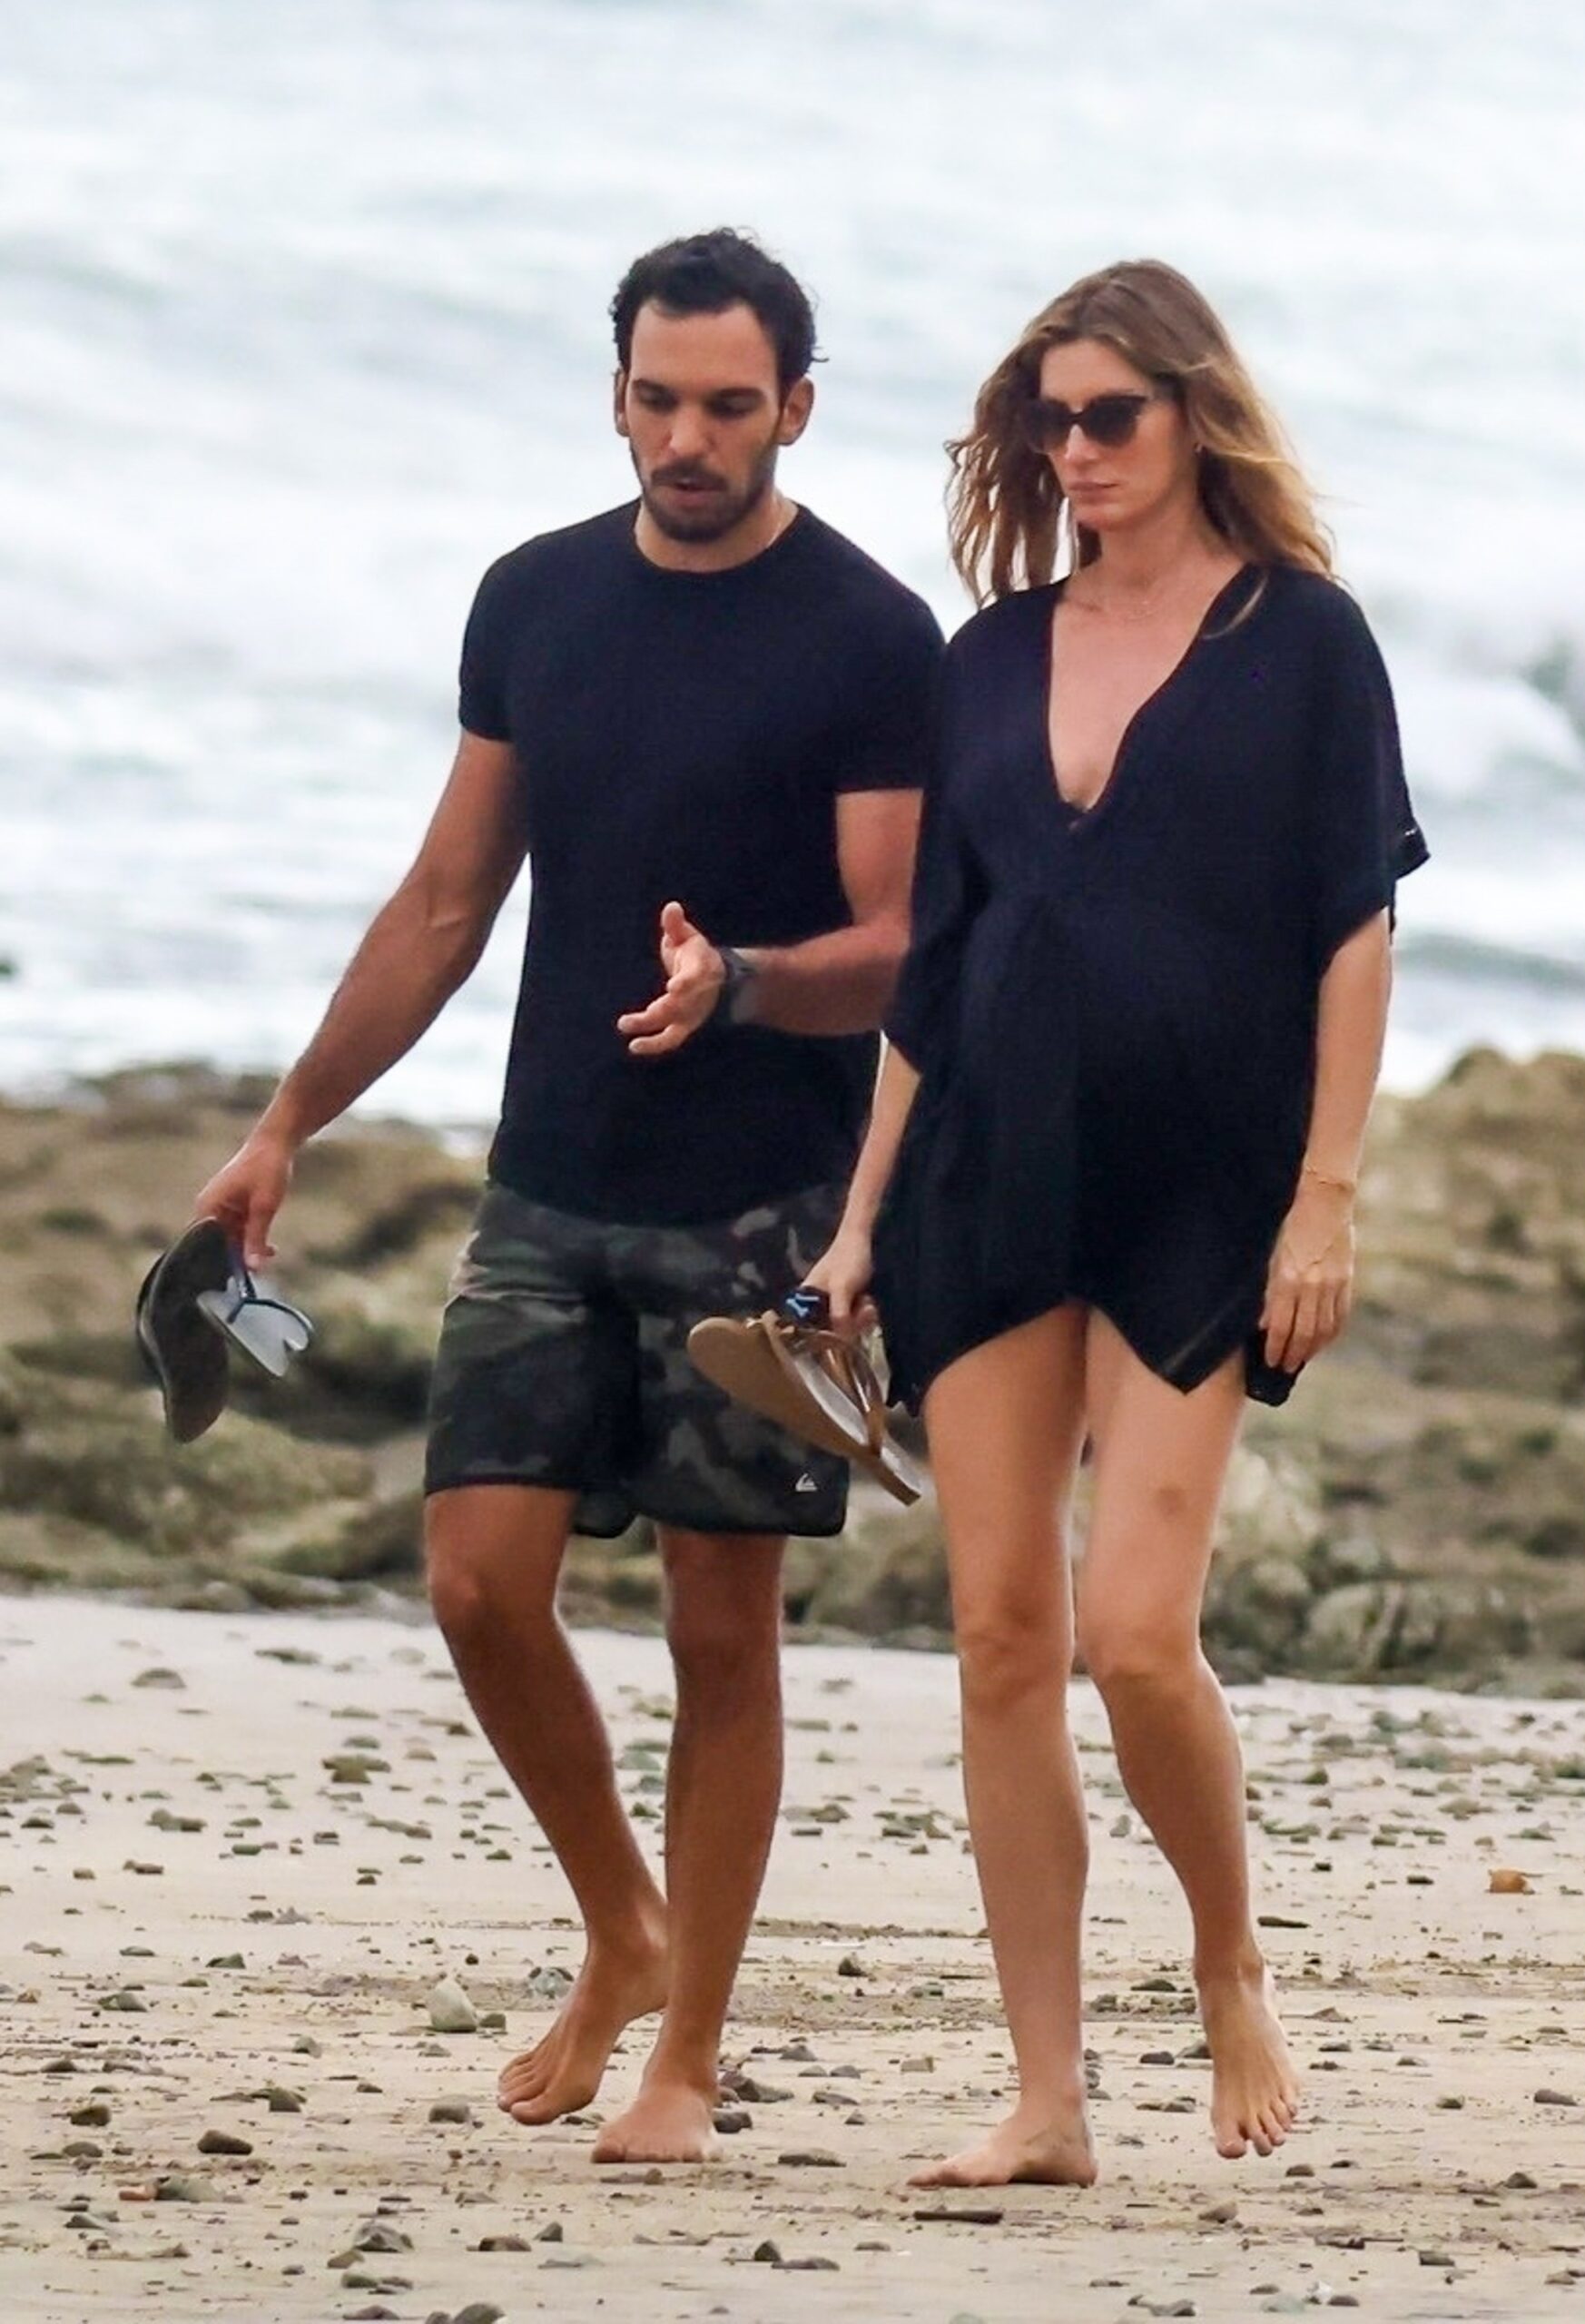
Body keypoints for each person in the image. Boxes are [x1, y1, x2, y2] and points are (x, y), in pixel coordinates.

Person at [195, 228, 942, 2164]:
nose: (686, 438)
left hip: (763, 1203)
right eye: (655, 398)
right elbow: (449, 900)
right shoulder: (534, 600)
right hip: (549, 1179)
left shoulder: (868, 637)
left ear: (796, 403)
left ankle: (686, 2049)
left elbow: (907, 943)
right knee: (473, 1579)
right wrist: (287, 1119)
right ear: (614, 390)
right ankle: (622, 1917)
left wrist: (746, 983)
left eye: (726, 403)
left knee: (721, 1627)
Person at [807, 259, 1427, 2188]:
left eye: (1108, 417)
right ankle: (1048, 2096)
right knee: (1002, 1632)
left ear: (1192, 413)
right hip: (987, 1175)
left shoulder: (1306, 642)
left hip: (1202, 1188)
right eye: (1047, 425)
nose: (1074, 454)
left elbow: (1354, 924)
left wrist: (1325, 1194)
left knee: (1133, 1631)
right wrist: (852, 1231)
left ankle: (1228, 1951)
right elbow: (936, 971)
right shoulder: (988, 656)